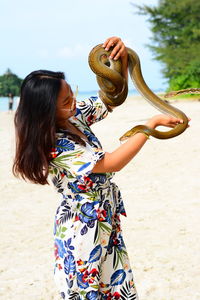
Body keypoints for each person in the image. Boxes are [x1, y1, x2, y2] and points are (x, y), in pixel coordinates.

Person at [13, 37, 189, 300]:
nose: (73, 103)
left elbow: (109, 101)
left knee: (117, 289)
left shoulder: (73, 116)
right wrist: (148, 127)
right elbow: (111, 162)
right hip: (82, 230)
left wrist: (121, 59)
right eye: (65, 102)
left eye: (72, 94)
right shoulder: (57, 144)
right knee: (89, 293)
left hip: (105, 219)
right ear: (45, 113)